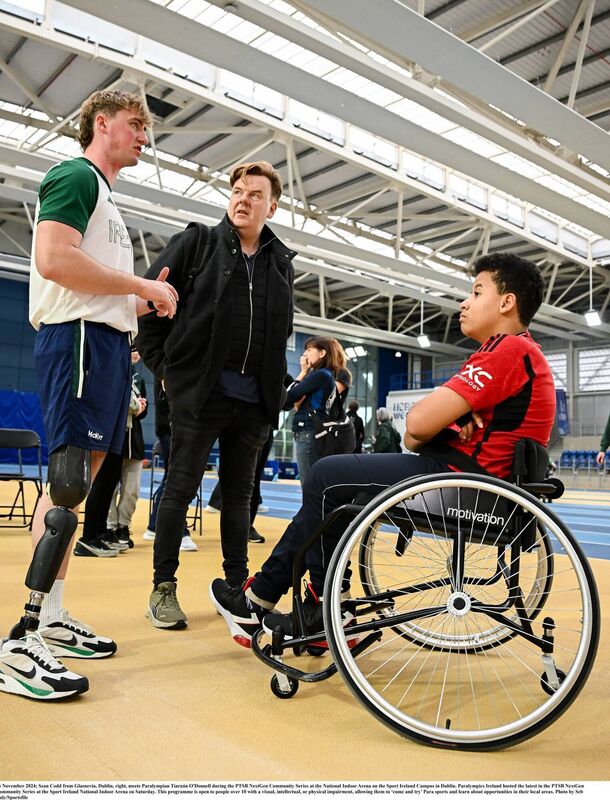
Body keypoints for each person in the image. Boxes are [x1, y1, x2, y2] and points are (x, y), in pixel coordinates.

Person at [210, 252, 556, 647]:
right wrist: (443, 423)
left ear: (507, 302)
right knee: (342, 489)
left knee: (326, 476)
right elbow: (413, 436)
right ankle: (289, 600)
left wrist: (439, 422)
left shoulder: (507, 351)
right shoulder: (515, 354)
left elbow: (416, 425)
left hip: (468, 488)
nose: (465, 302)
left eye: (477, 292)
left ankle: (293, 603)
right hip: (475, 485)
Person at [0, 89, 178, 701]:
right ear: (102, 123)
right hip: (77, 342)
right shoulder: (76, 175)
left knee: (81, 485)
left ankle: (52, 615)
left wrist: (135, 301)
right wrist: (134, 284)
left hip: (106, 346)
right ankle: (19, 635)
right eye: (135, 125)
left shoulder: (108, 198)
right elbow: (53, 259)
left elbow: (89, 275)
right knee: (68, 486)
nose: (144, 136)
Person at [136, 160, 296, 631]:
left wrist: (274, 396)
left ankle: (238, 587)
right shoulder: (198, 244)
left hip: (252, 405)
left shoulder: (280, 264)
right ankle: (163, 588)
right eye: (237, 192)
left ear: (272, 205)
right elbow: (148, 304)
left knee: (238, 499)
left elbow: (279, 333)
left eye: (254, 194)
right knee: (179, 490)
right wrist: (164, 369)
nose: (243, 199)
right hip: (199, 397)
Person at [73, 347, 148, 556]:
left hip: (119, 432)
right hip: (105, 431)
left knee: (109, 485)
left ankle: (100, 532)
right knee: (102, 484)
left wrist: (136, 405)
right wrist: (137, 405)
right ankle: (89, 537)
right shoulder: (108, 368)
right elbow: (127, 400)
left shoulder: (124, 371)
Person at [142, 378, 198, 552]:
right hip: (171, 427)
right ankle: (179, 532)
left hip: (177, 425)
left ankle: (154, 525)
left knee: (171, 477)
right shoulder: (168, 362)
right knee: (176, 478)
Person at [286, 336, 351, 484]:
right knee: (314, 483)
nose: (305, 354)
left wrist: (302, 372)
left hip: (310, 430)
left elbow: (289, 397)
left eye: (309, 349)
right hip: (314, 430)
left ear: (322, 353)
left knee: (310, 485)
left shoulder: (323, 375)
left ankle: (313, 508)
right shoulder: (322, 375)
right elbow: (296, 403)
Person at [106, 348, 148, 549]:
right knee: (109, 487)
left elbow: (143, 410)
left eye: (138, 350)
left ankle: (123, 526)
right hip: (115, 436)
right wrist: (136, 405)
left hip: (135, 439)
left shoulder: (139, 379)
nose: (135, 353)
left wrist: (139, 407)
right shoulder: (114, 370)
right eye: (131, 349)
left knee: (132, 489)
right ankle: (110, 526)